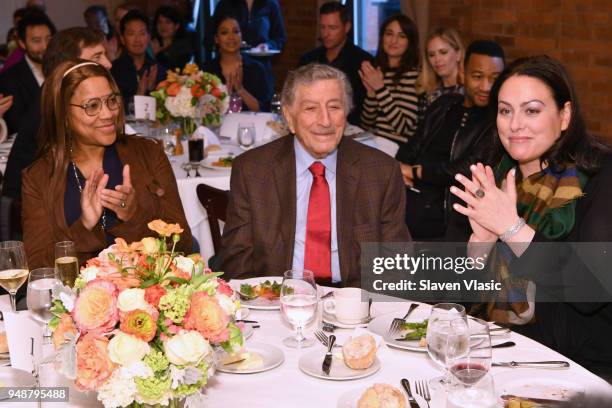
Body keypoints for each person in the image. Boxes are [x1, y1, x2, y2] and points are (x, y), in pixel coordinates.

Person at [450, 55, 612, 379]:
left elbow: (590, 289)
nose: (515, 124)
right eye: (505, 110)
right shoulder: (494, 176)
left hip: (582, 369)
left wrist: (511, 228)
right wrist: (481, 243)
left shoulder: (600, 177)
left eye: (532, 110)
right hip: (504, 351)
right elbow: (463, 295)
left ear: (564, 115)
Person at [218, 63, 411, 286]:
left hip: (355, 301)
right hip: (277, 298)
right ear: (289, 117)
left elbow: (396, 269)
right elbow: (237, 265)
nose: (325, 121)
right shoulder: (253, 171)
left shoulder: (381, 172)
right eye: (311, 108)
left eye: (335, 107)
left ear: (346, 113)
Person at [22, 59, 192, 270]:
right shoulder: (40, 177)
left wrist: (134, 216)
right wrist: (84, 225)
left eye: (112, 100)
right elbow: (38, 267)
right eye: (92, 106)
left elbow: (183, 243)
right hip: (77, 299)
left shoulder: (147, 154)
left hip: (146, 295)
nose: (108, 113)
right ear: (64, 114)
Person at [395, 40, 505, 240]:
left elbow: (468, 168)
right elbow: (413, 145)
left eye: (495, 78)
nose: (486, 86)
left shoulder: (498, 120)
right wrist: (398, 167)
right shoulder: (444, 105)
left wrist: (415, 171)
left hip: (448, 212)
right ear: (463, 73)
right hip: (411, 195)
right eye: (477, 76)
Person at [1, 27, 113, 212]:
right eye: (97, 57)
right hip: (30, 210)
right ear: (69, 64)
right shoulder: (55, 102)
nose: (108, 64)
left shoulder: (63, 93)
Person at [299, 1, 373, 126]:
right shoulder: (308, 59)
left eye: (332, 28)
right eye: (323, 27)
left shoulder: (362, 62)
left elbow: (365, 111)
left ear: (347, 27)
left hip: (350, 131)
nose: (326, 34)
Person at [359, 14, 420, 145]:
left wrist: (380, 89)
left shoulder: (414, 76)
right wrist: (371, 93)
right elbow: (366, 123)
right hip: (373, 141)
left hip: (397, 147)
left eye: (401, 36)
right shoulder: (378, 71)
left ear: (410, 42)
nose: (394, 41)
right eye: (389, 34)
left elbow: (403, 128)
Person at [207, 0, 286, 96]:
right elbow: (210, 36)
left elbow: (280, 38)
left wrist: (267, 46)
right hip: (230, 65)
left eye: (236, 32)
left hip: (261, 69)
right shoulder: (226, 3)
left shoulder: (271, 3)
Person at [0, 9, 55, 134]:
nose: (45, 46)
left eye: (48, 39)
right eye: (37, 41)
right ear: (22, 43)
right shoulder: (10, 78)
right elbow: (17, 124)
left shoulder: (62, 67)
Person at [203, 16, 271, 112]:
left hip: (252, 126)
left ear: (241, 35)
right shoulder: (207, 71)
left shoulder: (257, 69)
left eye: (236, 32)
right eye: (224, 32)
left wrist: (241, 90)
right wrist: (225, 97)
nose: (231, 37)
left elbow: (265, 110)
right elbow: (203, 112)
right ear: (216, 39)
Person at [111, 10, 166, 107]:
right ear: (123, 39)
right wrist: (140, 93)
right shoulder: (114, 70)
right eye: (131, 34)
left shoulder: (159, 69)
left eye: (142, 33)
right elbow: (114, 106)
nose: (137, 40)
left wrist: (150, 90)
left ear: (149, 37)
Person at [416, 27, 464, 118]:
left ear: (458, 54)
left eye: (443, 52)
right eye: (432, 55)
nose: (437, 59)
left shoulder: (470, 91)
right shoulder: (427, 94)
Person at [152, 5, 194, 71]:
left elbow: (176, 69)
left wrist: (158, 54)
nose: (163, 26)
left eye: (168, 22)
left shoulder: (183, 47)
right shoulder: (151, 43)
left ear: (176, 26)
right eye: (160, 22)